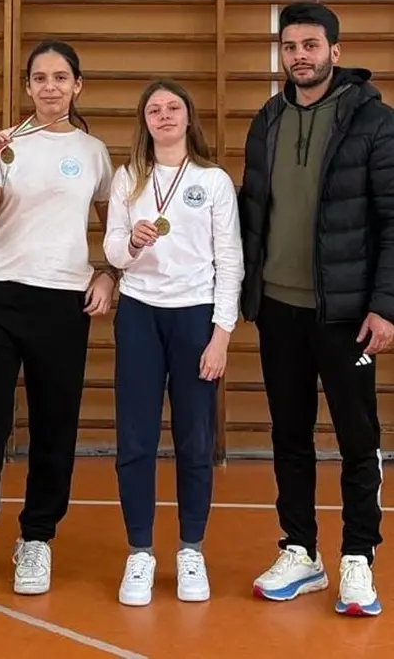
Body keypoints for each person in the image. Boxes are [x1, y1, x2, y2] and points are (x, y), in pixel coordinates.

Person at [0, 40, 115, 596]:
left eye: (61, 77)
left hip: (62, 301)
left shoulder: (94, 152)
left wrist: (108, 274)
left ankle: (37, 538)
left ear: (77, 85)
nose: (50, 86)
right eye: (40, 78)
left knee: (55, 424)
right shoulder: (4, 143)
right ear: (27, 86)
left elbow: (117, 231)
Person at [239, 1, 394, 617]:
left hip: (347, 314)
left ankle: (358, 557)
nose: (299, 55)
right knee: (289, 436)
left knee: (358, 440)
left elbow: (392, 219)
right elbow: (254, 215)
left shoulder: (374, 122)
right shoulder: (268, 119)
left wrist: (384, 306)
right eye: (289, 46)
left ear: (335, 49)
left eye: (310, 45)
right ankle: (300, 550)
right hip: (279, 310)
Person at [103, 79, 243, 606]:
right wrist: (130, 243)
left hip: (195, 318)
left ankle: (191, 550)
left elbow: (230, 261)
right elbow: (113, 251)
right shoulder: (128, 178)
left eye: (173, 107)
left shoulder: (213, 180)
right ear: (144, 120)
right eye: (154, 109)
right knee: (135, 439)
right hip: (139, 314)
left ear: (188, 118)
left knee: (195, 440)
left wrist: (221, 336)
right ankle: (140, 551)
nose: (164, 115)